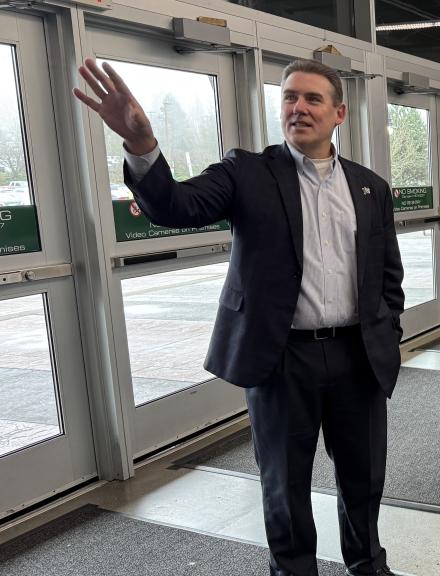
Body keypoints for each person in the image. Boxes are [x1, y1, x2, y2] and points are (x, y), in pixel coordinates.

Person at [75, 58, 403, 576]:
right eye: (290, 97)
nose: (298, 107)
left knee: (364, 479)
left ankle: (368, 565)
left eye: (313, 99)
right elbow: (176, 206)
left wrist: (389, 335)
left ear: (339, 112)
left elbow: (389, 277)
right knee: (284, 483)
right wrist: (142, 144)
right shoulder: (247, 171)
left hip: (357, 355)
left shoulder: (369, 187)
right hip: (281, 359)